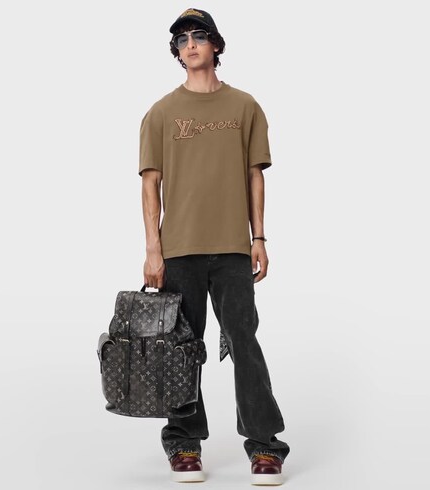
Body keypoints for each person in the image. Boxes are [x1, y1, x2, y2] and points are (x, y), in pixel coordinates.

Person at [138, 7, 290, 485]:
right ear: (176, 52)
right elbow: (150, 185)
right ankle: (184, 441)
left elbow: (254, 176)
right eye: (182, 39)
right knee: (182, 348)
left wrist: (258, 237)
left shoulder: (245, 107)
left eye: (199, 35)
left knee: (244, 341)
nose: (190, 44)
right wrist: (153, 250)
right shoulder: (160, 113)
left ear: (216, 45)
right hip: (179, 249)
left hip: (232, 249)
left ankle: (265, 446)